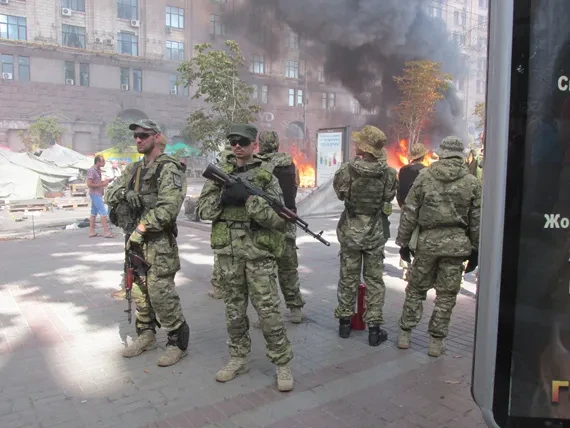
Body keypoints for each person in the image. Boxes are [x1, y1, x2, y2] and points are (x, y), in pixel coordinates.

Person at [196, 124, 294, 392]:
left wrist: (249, 200)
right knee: (234, 311)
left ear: (254, 145)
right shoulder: (218, 176)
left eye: (243, 141)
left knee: (269, 311)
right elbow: (203, 212)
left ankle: (282, 362)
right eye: (233, 141)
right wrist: (225, 198)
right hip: (229, 255)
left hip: (258, 255)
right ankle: (238, 358)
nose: (237, 146)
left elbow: (278, 220)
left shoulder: (267, 177)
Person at [104, 119, 190, 367]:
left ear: (156, 137)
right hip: (134, 243)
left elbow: (168, 208)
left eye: (143, 135)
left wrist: (141, 229)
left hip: (157, 243)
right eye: (136, 136)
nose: (138, 139)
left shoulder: (169, 168)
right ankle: (146, 335)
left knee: (161, 293)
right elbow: (110, 192)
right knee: (138, 292)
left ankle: (177, 342)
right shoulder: (133, 170)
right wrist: (126, 193)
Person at [396, 136, 481, 357]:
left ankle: (405, 334)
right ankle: (435, 342)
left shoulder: (424, 177)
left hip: (427, 243)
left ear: (441, 153)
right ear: (460, 155)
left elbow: (410, 211)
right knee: (446, 295)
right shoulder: (472, 182)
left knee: (416, 289)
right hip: (456, 245)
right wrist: (476, 249)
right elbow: (476, 220)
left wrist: (403, 243)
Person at [333, 125, 398, 346]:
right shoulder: (389, 173)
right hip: (375, 232)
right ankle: (374, 330)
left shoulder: (346, 170)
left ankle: (344, 324)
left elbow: (340, 193)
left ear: (364, 147)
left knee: (348, 278)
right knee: (374, 281)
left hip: (350, 231)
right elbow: (388, 197)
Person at [253, 130, 305, 324]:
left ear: (259, 144)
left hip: (264, 222)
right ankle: (295, 309)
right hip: (287, 219)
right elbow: (295, 186)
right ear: (277, 144)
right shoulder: (290, 163)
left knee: (264, 272)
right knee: (288, 268)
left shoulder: (256, 165)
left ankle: (267, 314)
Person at [396, 143, 428, 281]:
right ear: (423, 156)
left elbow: (399, 190)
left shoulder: (403, 170)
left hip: (405, 207)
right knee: (418, 238)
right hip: (421, 209)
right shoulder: (427, 171)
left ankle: (405, 267)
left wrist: (402, 206)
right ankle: (417, 267)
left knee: (405, 234)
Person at [86, 155, 114, 238]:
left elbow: (96, 181)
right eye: (103, 161)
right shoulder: (92, 170)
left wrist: (106, 181)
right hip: (95, 194)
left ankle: (91, 231)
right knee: (103, 212)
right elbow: (89, 184)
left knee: (93, 213)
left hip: (97, 193)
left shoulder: (98, 170)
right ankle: (106, 232)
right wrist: (102, 184)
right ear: (98, 162)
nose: (104, 162)